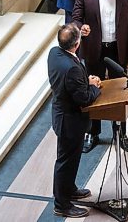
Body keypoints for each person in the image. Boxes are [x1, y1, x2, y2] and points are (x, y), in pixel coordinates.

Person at [72, 0, 128, 154]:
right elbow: (76, 17)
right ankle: (92, 132)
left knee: (119, 92)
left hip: (117, 50)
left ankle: (121, 133)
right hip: (94, 48)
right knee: (92, 90)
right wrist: (81, 27)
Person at [47, 23, 101, 218]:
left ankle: (69, 189)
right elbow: (84, 98)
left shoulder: (55, 53)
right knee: (65, 161)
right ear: (77, 44)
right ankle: (61, 204)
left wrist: (84, 82)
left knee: (72, 158)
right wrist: (94, 86)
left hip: (64, 115)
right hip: (69, 122)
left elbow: (69, 84)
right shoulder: (71, 68)